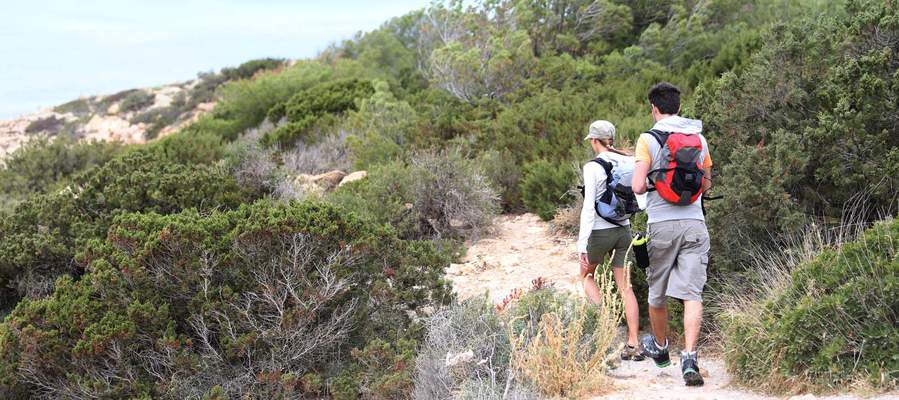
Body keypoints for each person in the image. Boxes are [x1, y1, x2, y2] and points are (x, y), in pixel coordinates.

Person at [631, 82, 713, 386]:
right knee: (692, 294)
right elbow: (706, 185)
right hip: (695, 223)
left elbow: (638, 185)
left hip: (661, 225)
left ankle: (662, 348)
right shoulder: (699, 139)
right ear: (679, 106)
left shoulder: (646, 139)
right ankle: (690, 358)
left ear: (654, 108)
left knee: (657, 293)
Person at [577, 120, 643, 361]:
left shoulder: (592, 167)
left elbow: (587, 208)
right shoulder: (629, 160)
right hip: (624, 230)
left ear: (595, 141)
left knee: (586, 276)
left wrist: (581, 244)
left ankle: (605, 330)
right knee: (625, 287)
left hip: (599, 232)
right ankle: (634, 343)